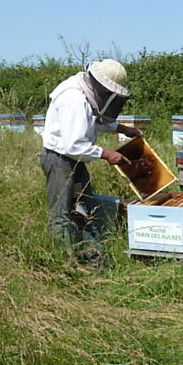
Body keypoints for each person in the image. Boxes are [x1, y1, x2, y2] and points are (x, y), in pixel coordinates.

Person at [39, 59, 143, 268]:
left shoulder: (86, 92)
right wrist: (105, 154)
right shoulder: (74, 99)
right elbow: (74, 145)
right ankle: (64, 267)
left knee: (86, 209)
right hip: (60, 161)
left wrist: (123, 129)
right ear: (101, 86)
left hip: (73, 160)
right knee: (62, 216)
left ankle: (94, 263)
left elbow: (95, 119)